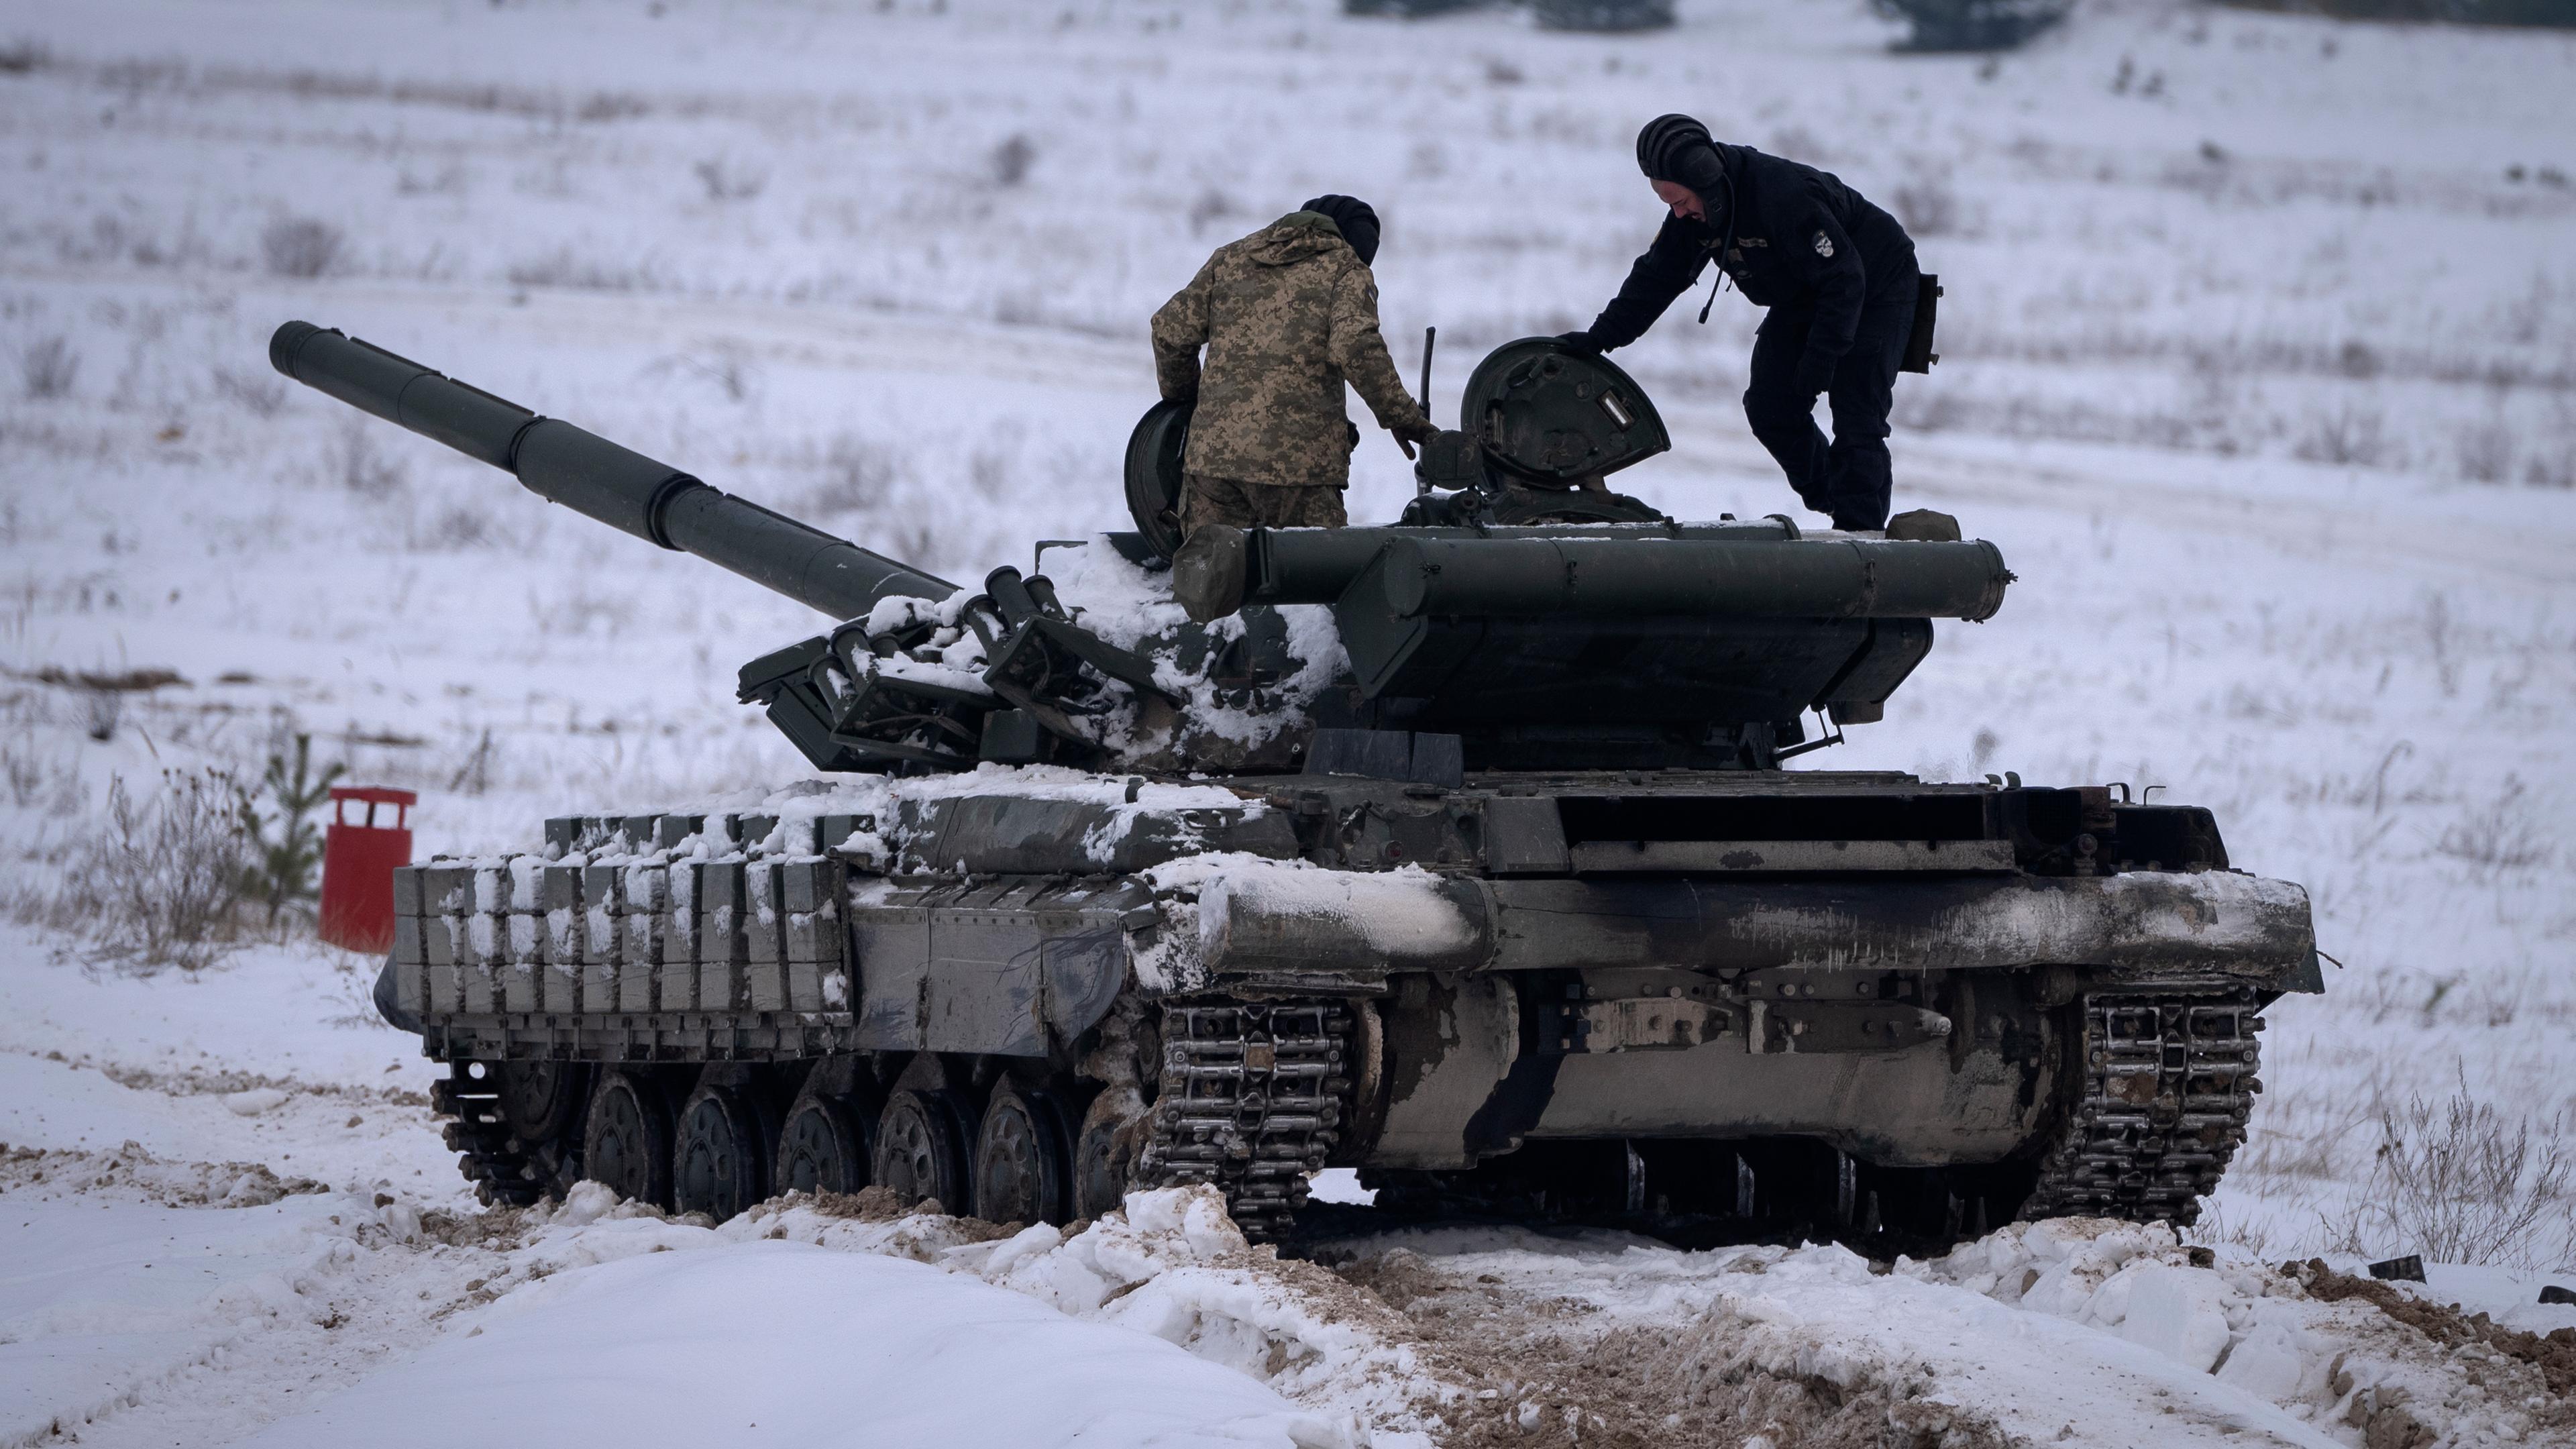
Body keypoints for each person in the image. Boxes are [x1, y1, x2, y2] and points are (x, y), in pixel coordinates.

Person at [1560, 115, 1921, 533]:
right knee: (1771, 407)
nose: (1678, 213)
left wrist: (1822, 358)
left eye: (1681, 201)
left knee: (1856, 408)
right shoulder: (1693, 218)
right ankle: (1837, 496)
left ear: (1705, 177)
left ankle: (1862, 534)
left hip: (1874, 283)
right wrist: (1601, 337)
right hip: (1806, 293)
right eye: (1669, 204)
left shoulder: (1782, 196)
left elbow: (1845, 279)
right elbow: (1655, 279)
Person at [1150, 194, 1436, 534]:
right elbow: (1356, 346)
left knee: (1211, 580)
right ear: (1351, 242)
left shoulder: (1229, 259)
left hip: (1212, 470)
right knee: (1311, 583)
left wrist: (1187, 402)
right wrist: (1403, 419)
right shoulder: (1345, 268)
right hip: (1300, 473)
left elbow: (1169, 331)